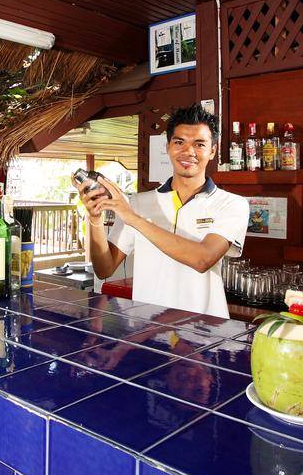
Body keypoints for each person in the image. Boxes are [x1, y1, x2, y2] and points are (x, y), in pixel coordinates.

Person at [75, 103, 249, 318]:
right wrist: (94, 218)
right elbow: (104, 269)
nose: (189, 151)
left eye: (199, 144)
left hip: (204, 328)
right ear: (168, 147)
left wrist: (133, 218)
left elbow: (203, 259)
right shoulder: (138, 203)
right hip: (148, 327)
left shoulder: (232, 204)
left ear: (212, 151)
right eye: (179, 142)